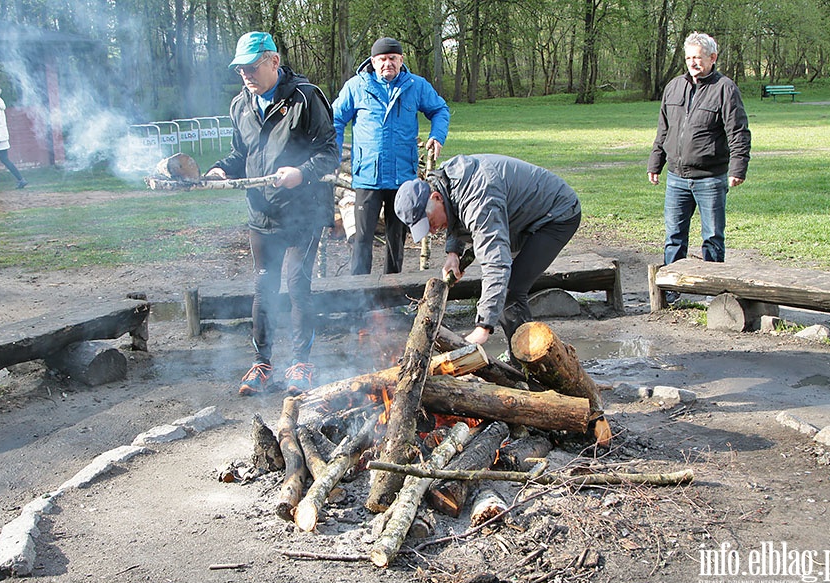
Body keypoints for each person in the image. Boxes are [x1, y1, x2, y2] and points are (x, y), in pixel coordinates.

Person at [205, 32, 338, 395]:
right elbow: (240, 155)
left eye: (252, 66)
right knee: (264, 285)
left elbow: (329, 152)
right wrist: (221, 169)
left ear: (274, 62)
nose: (245, 74)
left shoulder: (305, 98)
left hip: (303, 214)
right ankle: (262, 364)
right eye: (240, 69)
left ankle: (301, 364)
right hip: (261, 214)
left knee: (296, 283)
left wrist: (302, 173)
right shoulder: (240, 106)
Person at [394, 154, 581, 352]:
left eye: (430, 222)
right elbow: (455, 208)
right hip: (520, 218)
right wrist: (453, 253)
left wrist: (483, 325)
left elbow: (497, 263)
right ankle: (521, 357)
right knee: (508, 289)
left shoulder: (479, 198)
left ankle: (530, 364)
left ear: (436, 197)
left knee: (511, 290)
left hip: (556, 215)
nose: (432, 231)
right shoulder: (445, 183)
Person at [333, 37, 450, 275]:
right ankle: (358, 296)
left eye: (393, 59)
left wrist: (437, 136)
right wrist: (333, 153)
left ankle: (392, 297)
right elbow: (335, 119)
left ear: (401, 60)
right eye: (383, 59)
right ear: (373, 62)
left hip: (402, 178)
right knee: (361, 239)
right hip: (367, 176)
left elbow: (439, 109)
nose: (388, 64)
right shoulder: (356, 86)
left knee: (396, 240)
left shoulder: (416, 86)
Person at [647, 31, 751, 281]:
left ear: (713, 57)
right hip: (676, 177)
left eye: (698, 57)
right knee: (673, 236)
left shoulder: (725, 89)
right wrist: (655, 162)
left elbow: (738, 130)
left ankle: (712, 291)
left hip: (710, 178)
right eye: (689, 58)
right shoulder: (674, 87)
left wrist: (738, 168)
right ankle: (672, 288)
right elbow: (664, 128)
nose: (693, 62)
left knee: (713, 237)